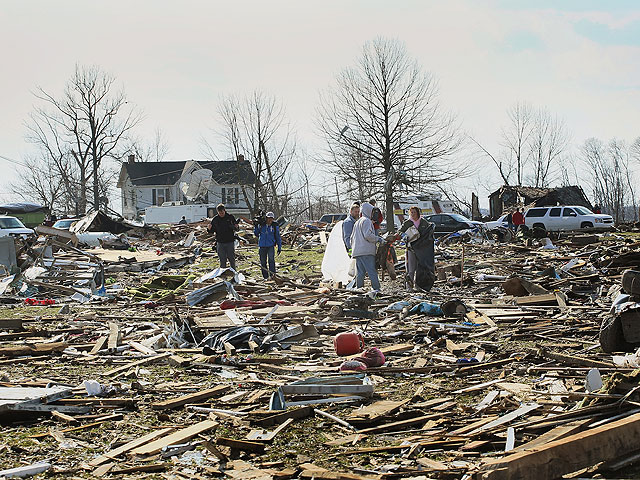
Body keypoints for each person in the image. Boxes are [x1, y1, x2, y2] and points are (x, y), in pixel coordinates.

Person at [396, 206, 436, 291]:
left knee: (421, 267)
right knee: (411, 268)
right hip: (411, 248)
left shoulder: (423, 222)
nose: (413, 214)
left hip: (422, 249)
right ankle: (409, 287)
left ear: (418, 213)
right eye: (411, 212)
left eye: (414, 212)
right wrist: (404, 236)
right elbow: (400, 231)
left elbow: (428, 232)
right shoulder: (408, 223)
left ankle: (419, 285)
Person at [350, 202, 384, 292]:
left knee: (360, 273)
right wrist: (379, 239)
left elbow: (351, 238)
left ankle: (359, 289)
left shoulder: (358, 222)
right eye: (372, 212)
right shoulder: (367, 221)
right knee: (371, 271)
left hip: (357, 251)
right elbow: (368, 235)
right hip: (366, 251)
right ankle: (376, 289)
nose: (373, 214)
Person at [207, 204, 239, 270]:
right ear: (217, 212)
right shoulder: (215, 219)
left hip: (230, 241)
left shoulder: (230, 217)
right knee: (222, 259)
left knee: (231, 258)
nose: (221, 214)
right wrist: (209, 229)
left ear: (224, 210)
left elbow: (236, 228)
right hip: (220, 242)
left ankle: (234, 272)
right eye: (219, 213)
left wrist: (236, 227)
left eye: (222, 212)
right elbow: (211, 232)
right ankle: (223, 274)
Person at [254, 211, 282, 279]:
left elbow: (278, 236)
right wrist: (256, 226)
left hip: (270, 246)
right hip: (262, 245)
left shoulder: (274, 226)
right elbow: (256, 233)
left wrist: (279, 247)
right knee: (263, 262)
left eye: (271, 218)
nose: (270, 220)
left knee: (271, 260)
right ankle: (265, 277)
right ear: (266, 218)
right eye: (268, 218)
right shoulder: (261, 225)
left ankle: (272, 276)